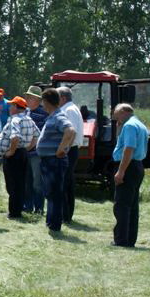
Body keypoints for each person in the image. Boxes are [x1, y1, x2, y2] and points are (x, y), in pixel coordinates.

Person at [38, 88, 77, 233]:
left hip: (53, 161)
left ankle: (54, 224)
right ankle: (51, 222)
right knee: (51, 192)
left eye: (43, 101)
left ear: (47, 102)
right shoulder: (53, 116)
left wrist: (62, 149)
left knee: (54, 193)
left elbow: (71, 131)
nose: (42, 105)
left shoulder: (59, 116)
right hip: (49, 160)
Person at [111, 103, 148, 247]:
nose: (115, 117)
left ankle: (121, 240)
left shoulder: (129, 126)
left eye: (116, 114)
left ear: (124, 112)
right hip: (137, 166)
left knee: (122, 205)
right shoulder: (139, 124)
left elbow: (129, 148)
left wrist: (121, 171)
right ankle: (130, 239)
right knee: (132, 205)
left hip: (129, 166)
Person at [0, 96, 40, 220]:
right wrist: (27, 148)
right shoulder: (29, 119)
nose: (10, 107)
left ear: (16, 107)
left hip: (14, 155)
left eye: (11, 105)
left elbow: (15, 137)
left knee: (12, 184)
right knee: (20, 183)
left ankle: (13, 212)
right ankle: (18, 209)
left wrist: (11, 151)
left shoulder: (15, 119)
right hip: (22, 154)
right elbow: (37, 135)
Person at [57, 86, 85, 223]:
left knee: (64, 182)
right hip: (69, 149)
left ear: (63, 98)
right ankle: (65, 214)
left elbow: (71, 132)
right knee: (66, 182)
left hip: (69, 150)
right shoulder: (70, 108)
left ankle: (65, 214)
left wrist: (64, 149)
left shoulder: (69, 110)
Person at [23, 85, 47, 215]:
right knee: (27, 181)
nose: (27, 99)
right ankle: (27, 206)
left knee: (37, 182)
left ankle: (38, 208)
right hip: (25, 152)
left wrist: (29, 146)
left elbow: (41, 135)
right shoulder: (25, 111)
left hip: (36, 153)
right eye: (27, 97)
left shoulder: (44, 113)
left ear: (37, 100)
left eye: (30, 97)